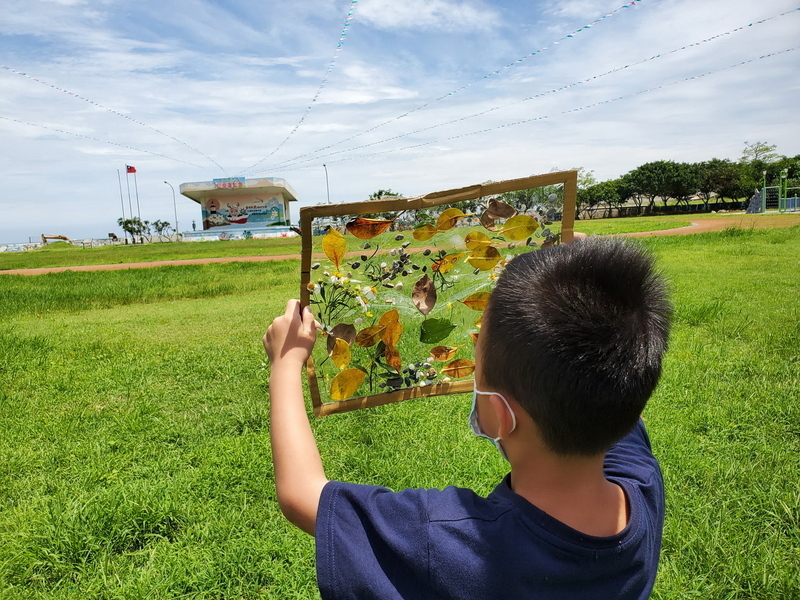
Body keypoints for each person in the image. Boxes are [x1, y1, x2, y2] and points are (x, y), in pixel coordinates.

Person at [263, 237, 672, 599]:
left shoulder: (450, 541)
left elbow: (302, 495)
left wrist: (285, 363)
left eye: (477, 364)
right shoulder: (642, 487)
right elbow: (610, 384)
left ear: (498, 415)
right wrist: (594, 278)